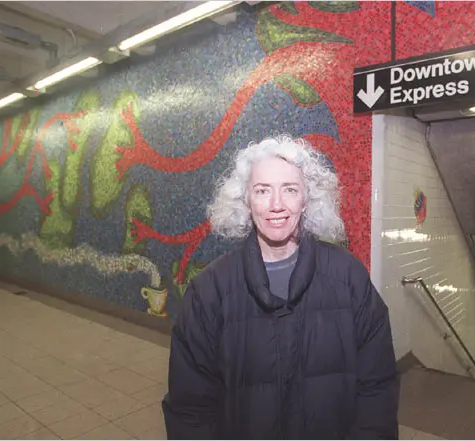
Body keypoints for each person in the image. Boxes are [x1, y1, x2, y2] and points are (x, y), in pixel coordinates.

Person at [162, 135, 399, 439]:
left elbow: (377, 389)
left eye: (289, 189)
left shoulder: (349, 277)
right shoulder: (209, 291)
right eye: (262, 191)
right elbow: (190, 408)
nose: (276, 205)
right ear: (246, 201)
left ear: (306, 200)